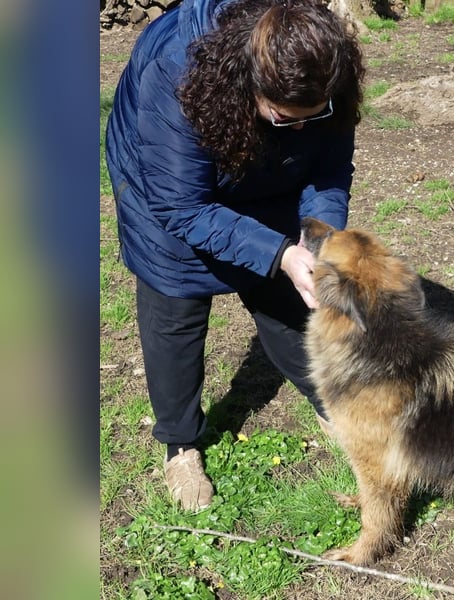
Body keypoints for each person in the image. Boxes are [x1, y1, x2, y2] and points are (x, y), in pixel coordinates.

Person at [105, 0, 365, 511]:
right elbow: (181, 206)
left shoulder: (325, 74)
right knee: (175, 307)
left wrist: (313, 242)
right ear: (246, 82)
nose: (299, 127)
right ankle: (180, 444)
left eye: (311, 117)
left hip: (268, 175)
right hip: (167, 187)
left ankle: (332, 404)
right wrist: (276, 252)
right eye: (283, 116)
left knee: (292, 299)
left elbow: (329, 170)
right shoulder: (178, 72)